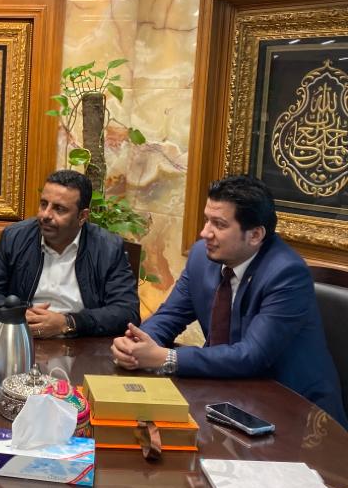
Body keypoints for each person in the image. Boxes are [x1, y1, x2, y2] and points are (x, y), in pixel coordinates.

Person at [111, 174, 346, 425]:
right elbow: (169, 316)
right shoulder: (201, 257)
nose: (205, 233)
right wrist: (137, 345)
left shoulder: (286, 273)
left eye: (219, 225)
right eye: (207, 220)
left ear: (255, 235)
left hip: (296, 413)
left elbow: (251, 355)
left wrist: (167, 358)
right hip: (227, 394)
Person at [0, 169, 140, 338]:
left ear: (82, 216)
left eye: (59, 209)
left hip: (80, 342)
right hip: (23, 338)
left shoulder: (108, 248)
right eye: (44, 204)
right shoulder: (15, 237)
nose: (45, 215)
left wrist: (69, 322)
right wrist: (15, 314)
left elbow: (126, 311)